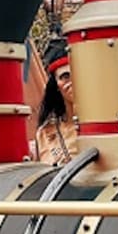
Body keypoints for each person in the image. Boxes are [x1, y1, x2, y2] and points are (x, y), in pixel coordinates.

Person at [33, 36, 77, 164]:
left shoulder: (107, 124)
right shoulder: (45, 133)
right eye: (65, 76)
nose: (73, 81)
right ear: (56, 85)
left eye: (78, 73)